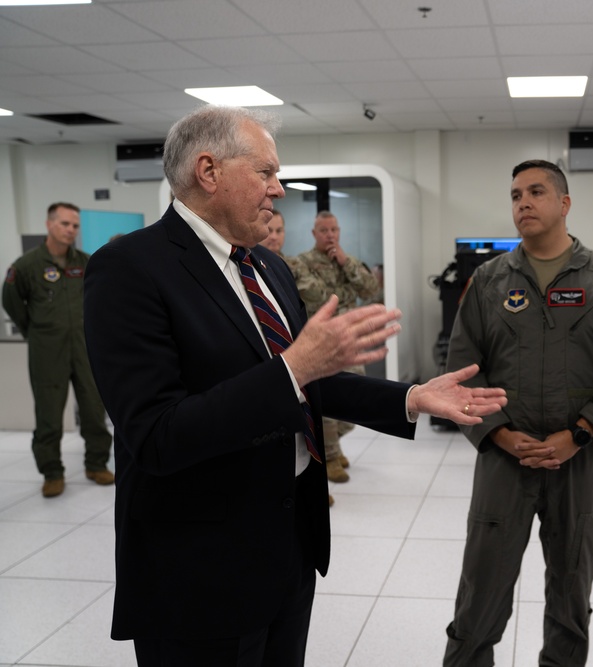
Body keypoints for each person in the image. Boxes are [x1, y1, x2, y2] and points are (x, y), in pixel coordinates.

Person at [82, 105, 506, 667]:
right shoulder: (130, 268)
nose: (278, 190)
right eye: (265, 172)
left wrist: (410, 397)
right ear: (208, 171)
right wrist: (294, 368)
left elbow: (313, 381)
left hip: (287, 546)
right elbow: (157, 435)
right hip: (199, 570)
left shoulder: (268, 268)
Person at [444, 159, 593, 666]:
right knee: (481, 590)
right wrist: (498, 435)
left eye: (536, 192)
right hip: (504, 458)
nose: (523, 203)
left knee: (570, 592)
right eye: (515, 195)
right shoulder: (489, 281)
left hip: (578, 460)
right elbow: (462, 369)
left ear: (564, 204)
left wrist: (579, 434)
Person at [2, 202, 113, 498]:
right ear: (49, 224)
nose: (71, 230)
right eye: (65, 224)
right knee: (49, 413)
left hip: (85, 348)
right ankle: (52, 471)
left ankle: (96, 463)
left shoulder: (87, 262)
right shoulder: (26, 266)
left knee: (93, 407)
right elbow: (11, 302)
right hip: (47, 349)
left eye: (75, 226)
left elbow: (101, 299)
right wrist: (35, 331)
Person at [295, 211, 380, 485]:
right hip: (323, 343)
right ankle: (329, 456)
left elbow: (370, 290)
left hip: (350, 339)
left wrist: (346, 264)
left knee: (355, 400)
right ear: (314, 234)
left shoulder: (347, 261)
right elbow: (318, 297)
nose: (330, 235)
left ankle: (335, 445)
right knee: (328, 402)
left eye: (334, 229)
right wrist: (345, 295)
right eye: (323, 230)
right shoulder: (302, 263)